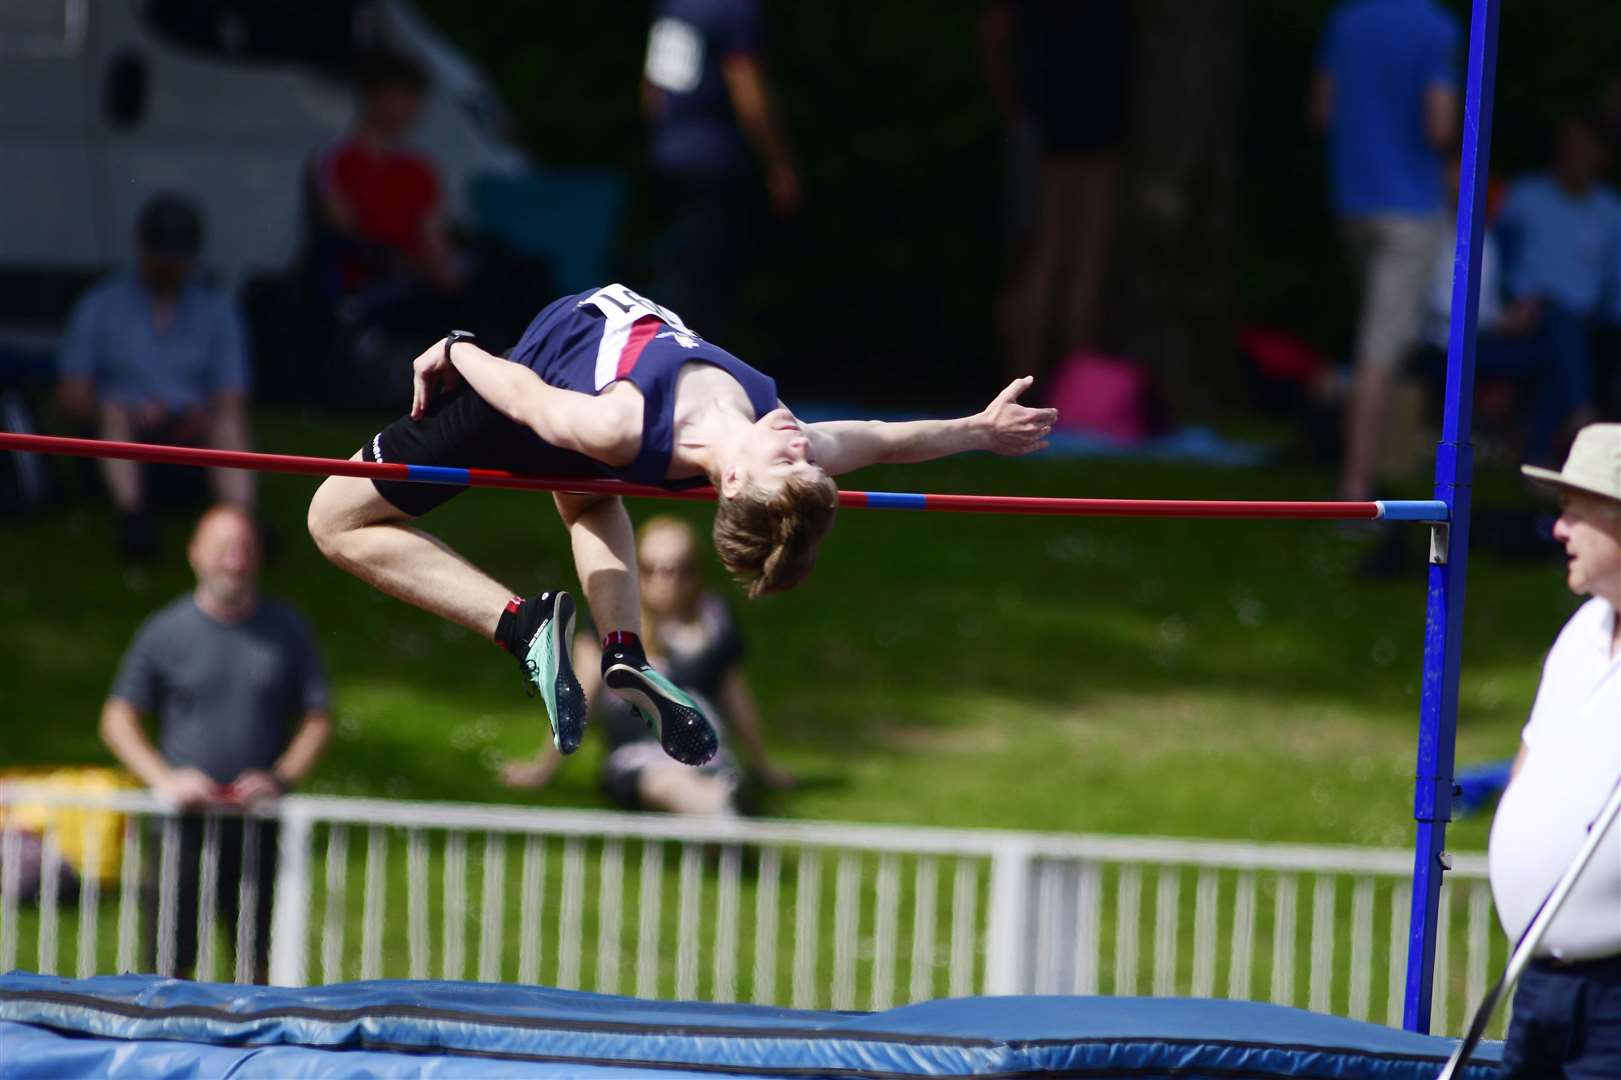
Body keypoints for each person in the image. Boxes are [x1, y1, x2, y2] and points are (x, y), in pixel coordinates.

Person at [306, 282, 1054, 775]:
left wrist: (458, 349)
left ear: (731, 483)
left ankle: (521, 625)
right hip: (591, 433)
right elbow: (884, 439)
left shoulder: (620, 423)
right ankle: (624, 651)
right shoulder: (775, 433)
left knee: (332, 520)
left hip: (529, 396)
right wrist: (980, 429)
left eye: (789, 461)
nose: (800, 443)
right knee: (592, 500)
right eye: (807, 461)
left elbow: (528, 401)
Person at [99, 506, 332, 981]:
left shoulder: (287, 630)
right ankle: (164, 1049)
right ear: (195, 556)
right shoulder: (166, 631)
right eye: (222, 548)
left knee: (259, 958)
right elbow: (118, 718)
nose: (234, 560)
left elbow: (317, 719)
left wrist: (280, 778)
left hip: (258, 821)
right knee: (168, 961)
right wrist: (165, 781)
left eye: (244, 549)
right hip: (182, 825)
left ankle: (258, 1051)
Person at [1487, 423, 1621, 1077]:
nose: (1557, 531)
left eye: (1574, 513)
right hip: (1540, 980)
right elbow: (1531, 755)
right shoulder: (1581, 632)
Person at [501, 516, 792, 814]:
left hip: (708, 752)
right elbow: (578, 697)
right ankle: (722, 813)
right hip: (640, 756)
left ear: (698, 572)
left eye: (682, 570)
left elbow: (736, 698)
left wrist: (763, 765)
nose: (669, 582)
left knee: (707, 779)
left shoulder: (715, 619)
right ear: (636, 571)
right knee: (670, 784)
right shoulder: (610, 621)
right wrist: (543, 768)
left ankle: (721, 815)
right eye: (655, 570)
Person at [1311, 0, 1460, 501]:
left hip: (1353, 201)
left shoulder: (1346, 19)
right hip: (1410, 206)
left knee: (1388, 338)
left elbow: (1322, 110)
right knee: (1381, 348)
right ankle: (1355, 488)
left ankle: (1393, 457)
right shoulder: (1436, 26)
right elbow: (1438, 125)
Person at [56, 193, 254, 559]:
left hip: (193, 439)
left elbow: (232, 393)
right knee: (114, 409)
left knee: (228, 420)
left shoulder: (217, 311)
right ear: (141, 247)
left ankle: (242, 519)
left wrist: (201, 416)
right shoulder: (100, 305)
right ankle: (133, 518)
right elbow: (71, 396)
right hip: (122, 439)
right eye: (161, 258)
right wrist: (122, 411)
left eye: (176, 260)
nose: (168, 267)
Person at [984, 0, 1132, 382]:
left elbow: (996, 32)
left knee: (1053, 259)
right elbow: (996, 31)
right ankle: (1058, 381)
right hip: (1080, 121)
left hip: (1058, 118)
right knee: (1069, 260)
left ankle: (1038, 381)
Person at [642, 0, 800, 341]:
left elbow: (653, 90)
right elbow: (747, 90)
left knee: (678, 272)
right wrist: (779, 163)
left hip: (669, 154)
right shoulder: (736, 10)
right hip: (717, 159)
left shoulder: (676, 7)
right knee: (712, 283)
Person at [1491, 113, 1621, 461]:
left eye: (1585, 148)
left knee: (1563, 344)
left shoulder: (1611, 212)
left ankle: (1545, 450)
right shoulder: (1525, 195)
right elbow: (1494, 262)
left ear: (1601, 156)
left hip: (1587, 328)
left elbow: (1615, 289)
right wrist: (1505, 304)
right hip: (1523, 319)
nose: (1575, 154)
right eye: (1568, 146)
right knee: (1559, 341)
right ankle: (1577, 422)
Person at [311, 50, 460, 330]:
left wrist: (445, 276)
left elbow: (435, 240)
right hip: (363, 291)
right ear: (373, 95)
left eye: (415, 97)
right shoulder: (336, 158)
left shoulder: (421, 169)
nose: (412, 107)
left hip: (419, 290)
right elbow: (343, 228)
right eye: (402, 95)